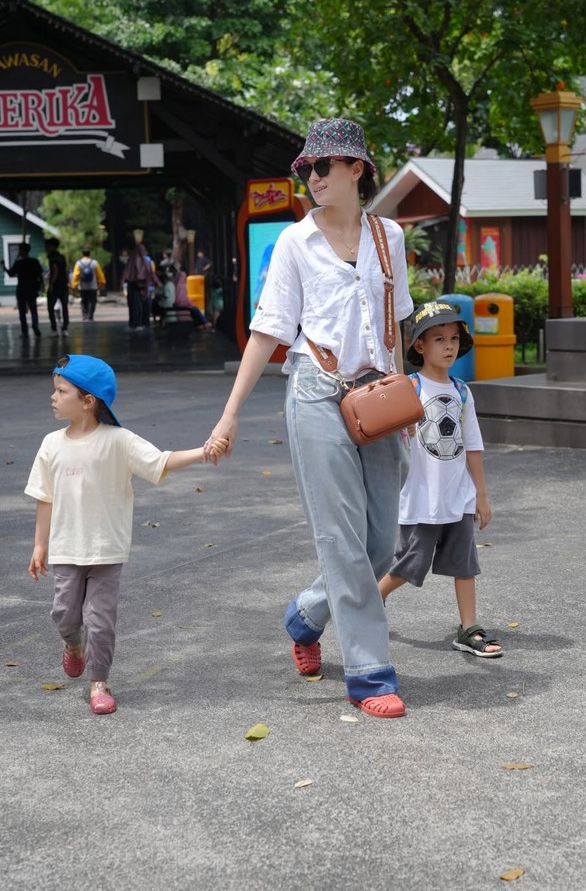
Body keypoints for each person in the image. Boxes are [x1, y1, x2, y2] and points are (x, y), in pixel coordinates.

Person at [203, 117, 414, 719]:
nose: (313, 177)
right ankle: (371, 674)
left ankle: (304, 616)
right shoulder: (297, 242)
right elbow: (268, 329)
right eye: (307, 169)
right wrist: (230, 413)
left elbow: (393, 322)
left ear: (357, 170)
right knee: (341, 539)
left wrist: (408, 402)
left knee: (380, 547)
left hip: (377, 401)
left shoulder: (388, 238)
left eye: (324, 166)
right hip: (317, 396)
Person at [24, 354, 228, 716]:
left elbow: (161, 461)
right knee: (64, 615)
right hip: (65, 549)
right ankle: (73, 647)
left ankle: (98, 683)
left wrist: (204, 451)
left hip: (106, 550)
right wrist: (40, 545)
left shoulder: (118, 441)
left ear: (87, 400)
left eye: (61, 391)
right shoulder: (51, 444)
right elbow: (45, 497)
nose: (53, 397)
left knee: (101, 622)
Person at [378, 302, 502, 658]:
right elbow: (388, 438)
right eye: (438, 339)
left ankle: (468, 629)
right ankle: (373, 599)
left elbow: (473, 446)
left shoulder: (463, 391)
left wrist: (481, 495)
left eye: (453, 339)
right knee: (408, 565)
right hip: (420, 497)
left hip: (457, 496)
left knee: (465, 565)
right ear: (420, 346)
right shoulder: (408, 387)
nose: (448, 346)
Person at [7, 241, 43, 338]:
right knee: (33, 309)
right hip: (32, 289)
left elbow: (11, 273)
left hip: (22, 289)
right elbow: (40, 275)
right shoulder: (34, 262)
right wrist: (41, 286)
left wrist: (4, 268)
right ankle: (35, 327)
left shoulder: (19, 262)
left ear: (21, 251)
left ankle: (25, 331)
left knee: (22, 311)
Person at [121, 243, 159, 330]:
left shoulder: (131, 261)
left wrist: (122, 283)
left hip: (134, 287)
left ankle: (135, 323)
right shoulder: (146, 262)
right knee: (143, 306)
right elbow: (151, 274)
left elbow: (125, 274)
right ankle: (143, 323)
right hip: (143, 287)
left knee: (135, 307)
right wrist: (157, 283)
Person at [72, 248, 105, 321]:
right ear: (89, 254)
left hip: (82, 286)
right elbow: (100, 274)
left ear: (82, 254)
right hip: (93, 286)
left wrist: (74, 285)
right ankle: (90, 316)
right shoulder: (94, 263)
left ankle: (84, 315)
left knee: (84, 301)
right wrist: (102, 282)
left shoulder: (79, 263)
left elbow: (76, 275)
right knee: (92, 300)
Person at [45, 238, 70, 336]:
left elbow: (55, 271)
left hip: (55, 286)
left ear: (51, 246)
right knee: (64, 307)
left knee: (50, 307)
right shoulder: (62, 257)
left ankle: (54, 328)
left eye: (47, 246)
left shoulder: (52, 258)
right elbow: (64, 270)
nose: (46, 248)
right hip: (64, 285)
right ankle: (65, 328)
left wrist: (51, 284)